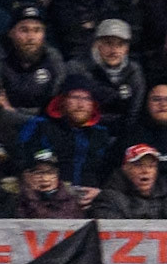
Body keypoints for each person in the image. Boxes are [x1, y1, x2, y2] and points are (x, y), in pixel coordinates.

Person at [16, 73, 113, 207]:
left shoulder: (101, 134)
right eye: (75, 97)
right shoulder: (40, 126)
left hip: (92, 203)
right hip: (46, 202)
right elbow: (21, 161)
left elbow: (108, 172)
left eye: (87, 99)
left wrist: (100, 193)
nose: (81, 104)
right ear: (62, 100)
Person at [0, 3, 67, 118]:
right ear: (11, 33)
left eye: (37, 30)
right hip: (5, 123)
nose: (31, 37)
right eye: (24, 30)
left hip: (46, 122)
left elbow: (57, 100)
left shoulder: (53, 57)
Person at [69, 17, 146, 135]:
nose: (114, 50)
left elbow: (134, 112)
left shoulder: (134, 71)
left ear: (127, 48)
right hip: (86, 134)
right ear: (97, 44)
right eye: (108, 43)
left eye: (120, 45)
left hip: (122, 134)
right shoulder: (78, 68)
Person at [92, 143, 167, 218]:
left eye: (151, 166)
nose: (146, 171)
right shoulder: (108, 199)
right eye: (138, 165)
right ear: (125, 168)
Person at [16, 147, 86, 216]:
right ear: (28, 176)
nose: (45, 179)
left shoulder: (71, 199)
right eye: (39, 173)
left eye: (50, 173)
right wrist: (29, 194)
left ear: (58, 174)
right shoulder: (18, 199)